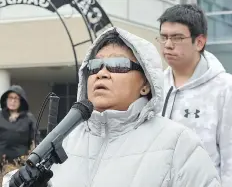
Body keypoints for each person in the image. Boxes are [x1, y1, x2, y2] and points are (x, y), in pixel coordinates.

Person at [7, 27, 220, 187]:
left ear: (146, 84)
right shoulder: (65, 141)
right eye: (95, 66)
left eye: (118, 65)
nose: (102, 73)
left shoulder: (179, 144)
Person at [156, 4, 232, 187]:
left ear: (199, 42)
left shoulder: (225, 88)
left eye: (177, 38)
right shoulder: (155, 85)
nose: (168, 45)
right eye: (164, 37)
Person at [0, 85, 40, 163]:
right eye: (10, 97)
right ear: (6, 99)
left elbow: (35, 140)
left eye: (16, 98)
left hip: (19, 163)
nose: (13, 101)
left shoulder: (29, 119)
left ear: (21, 101)